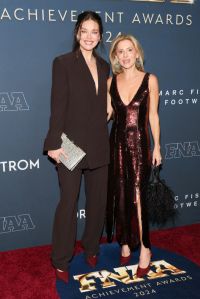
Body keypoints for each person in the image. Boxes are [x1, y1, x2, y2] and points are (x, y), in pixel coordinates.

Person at [44, 11, 110, 283]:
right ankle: (61, 259)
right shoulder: (62, 63)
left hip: (98, 144)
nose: (89, 36)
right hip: (69, 145)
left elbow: (104, 106)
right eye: (84, 30)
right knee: (69, 203)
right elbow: (57, 106)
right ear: (76, 33)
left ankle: (92, 247)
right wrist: (53, 143)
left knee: (97, 203)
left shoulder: (105, 66)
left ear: (100, 36)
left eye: (94, 32)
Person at [106, 34, 162, 278]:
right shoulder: (110, 81)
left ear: (137, 53)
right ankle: (126, 242)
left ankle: (146, 249)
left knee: (138, 196)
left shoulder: (150, 80)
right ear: (116, 56)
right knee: (119, 193)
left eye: (130, 50)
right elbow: (106, 115)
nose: (126, 55)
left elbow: (152, 116)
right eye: (121, 51)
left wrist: (157, 146)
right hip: (116, 143)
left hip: (140, 144)